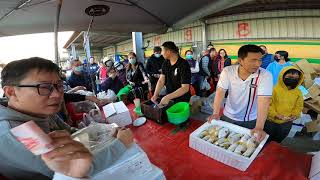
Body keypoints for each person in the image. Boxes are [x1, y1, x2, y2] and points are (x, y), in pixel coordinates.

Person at [0, 57, 134, 179]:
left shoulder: (40, 112)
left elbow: (71, 133)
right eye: (44, 87)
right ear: (11, 92)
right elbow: (70, 169)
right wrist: (120, 144)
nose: (57, 94)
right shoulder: (18, 132)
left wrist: (105, 132)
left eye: (59, 86)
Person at [208, 45, 273, 142]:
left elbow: (264, 101)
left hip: (251, 120)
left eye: (260, 60)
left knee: (243, 145)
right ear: (240, 60)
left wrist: (259, 127)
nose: (258, 64)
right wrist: (216, 113)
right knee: (223, 141)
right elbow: (220, 92)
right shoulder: (228, 71)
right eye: (253, 60)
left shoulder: (265, 75)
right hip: (228, 116)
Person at [264, 67, 304, 143]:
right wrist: (275, 115)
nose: (293, 80)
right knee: (266, 141)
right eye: (290, 77)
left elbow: (299, 106)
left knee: (278, 141)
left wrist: (295, 115)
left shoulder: (298, 92)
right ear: (282, 76)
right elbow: (267, 105)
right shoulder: (274, 89)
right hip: (271, 122)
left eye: (296, 78)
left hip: (286, 123)